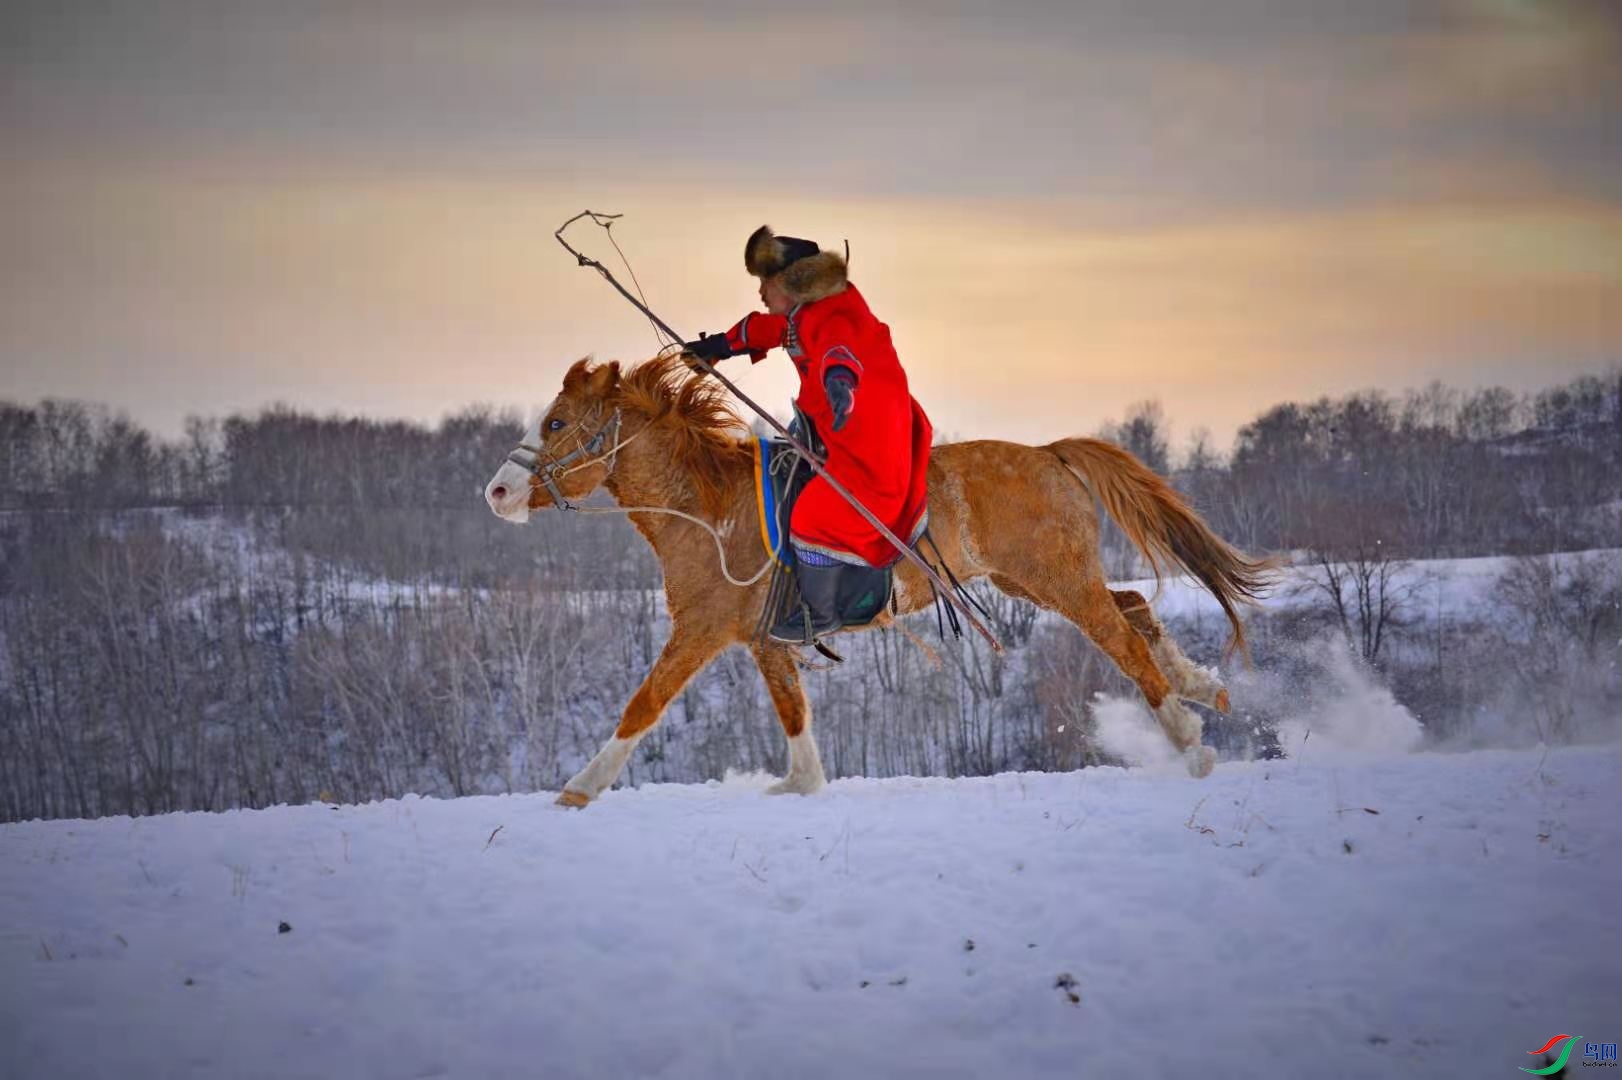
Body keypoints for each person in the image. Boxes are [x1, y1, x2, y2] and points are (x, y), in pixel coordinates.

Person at [683, 226, 933, 644]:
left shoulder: (835, 313)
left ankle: (820, 614)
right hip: (835, 428)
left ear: (790, 282)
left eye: (765, 282)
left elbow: (840, 348)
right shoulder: (802, 313)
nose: (761, 292)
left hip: (868, 439)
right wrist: (721, 347)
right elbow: (769, 330)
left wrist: (839, 382)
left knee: (813, 516)